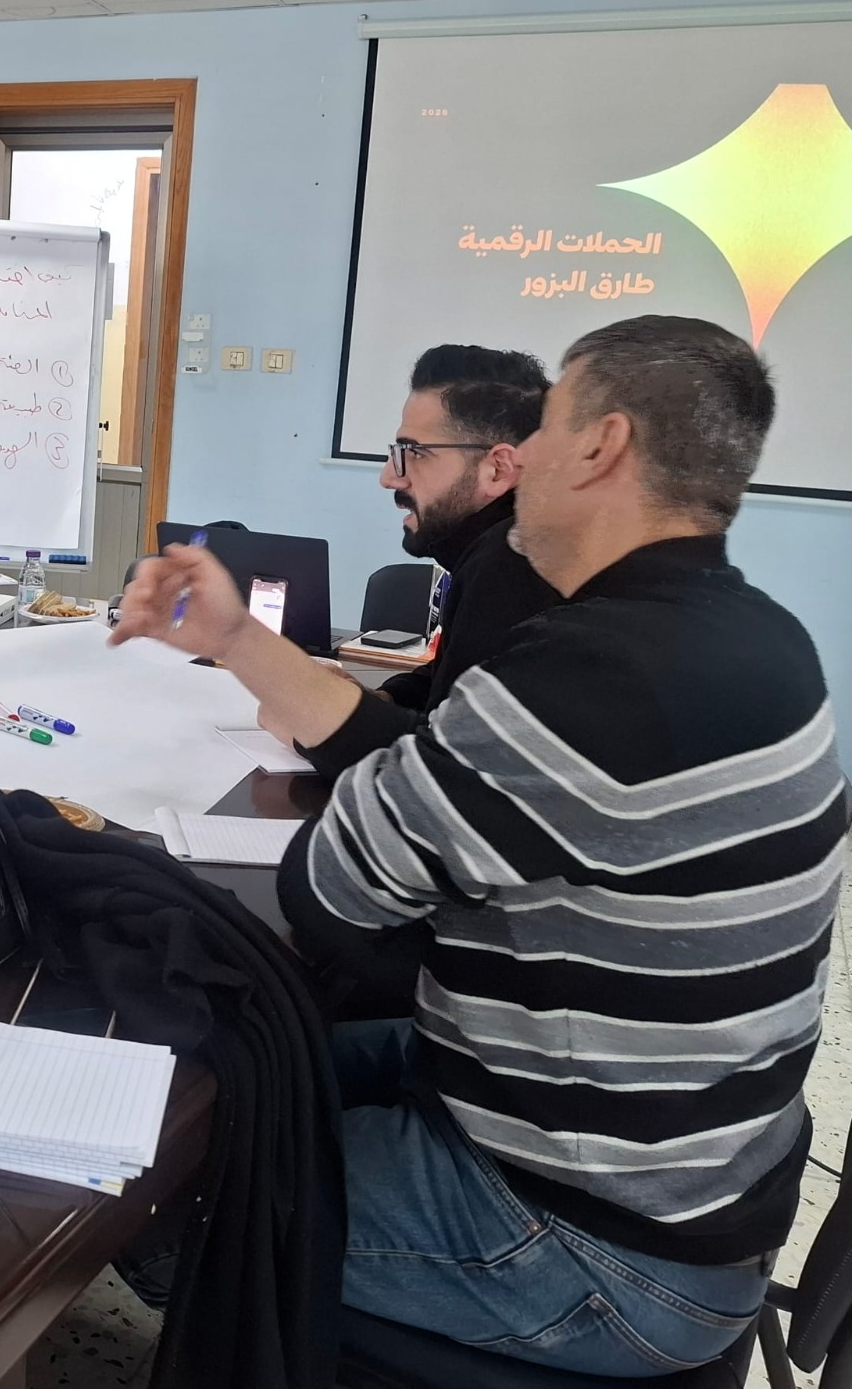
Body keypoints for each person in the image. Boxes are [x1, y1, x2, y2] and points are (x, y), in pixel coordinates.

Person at [115, 315, 845, 1376]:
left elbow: (332, 888)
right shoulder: (762, 637)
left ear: (599, 446)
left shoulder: (587, 676)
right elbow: (419, 791)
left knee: (157, 1186)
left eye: (544, 426)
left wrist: (407, 779)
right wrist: (239, 640)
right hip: (686, 1179)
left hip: (597, 1241)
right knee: (225, 1073)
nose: (521, 457)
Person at [268, 344, 560, 780]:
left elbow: (447, 768)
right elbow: (454, 688)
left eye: (413, 452)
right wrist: (381, 701)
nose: (389, 476)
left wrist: (312, 730)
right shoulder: (499, 546)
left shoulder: (511, 563)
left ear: (498, 470)